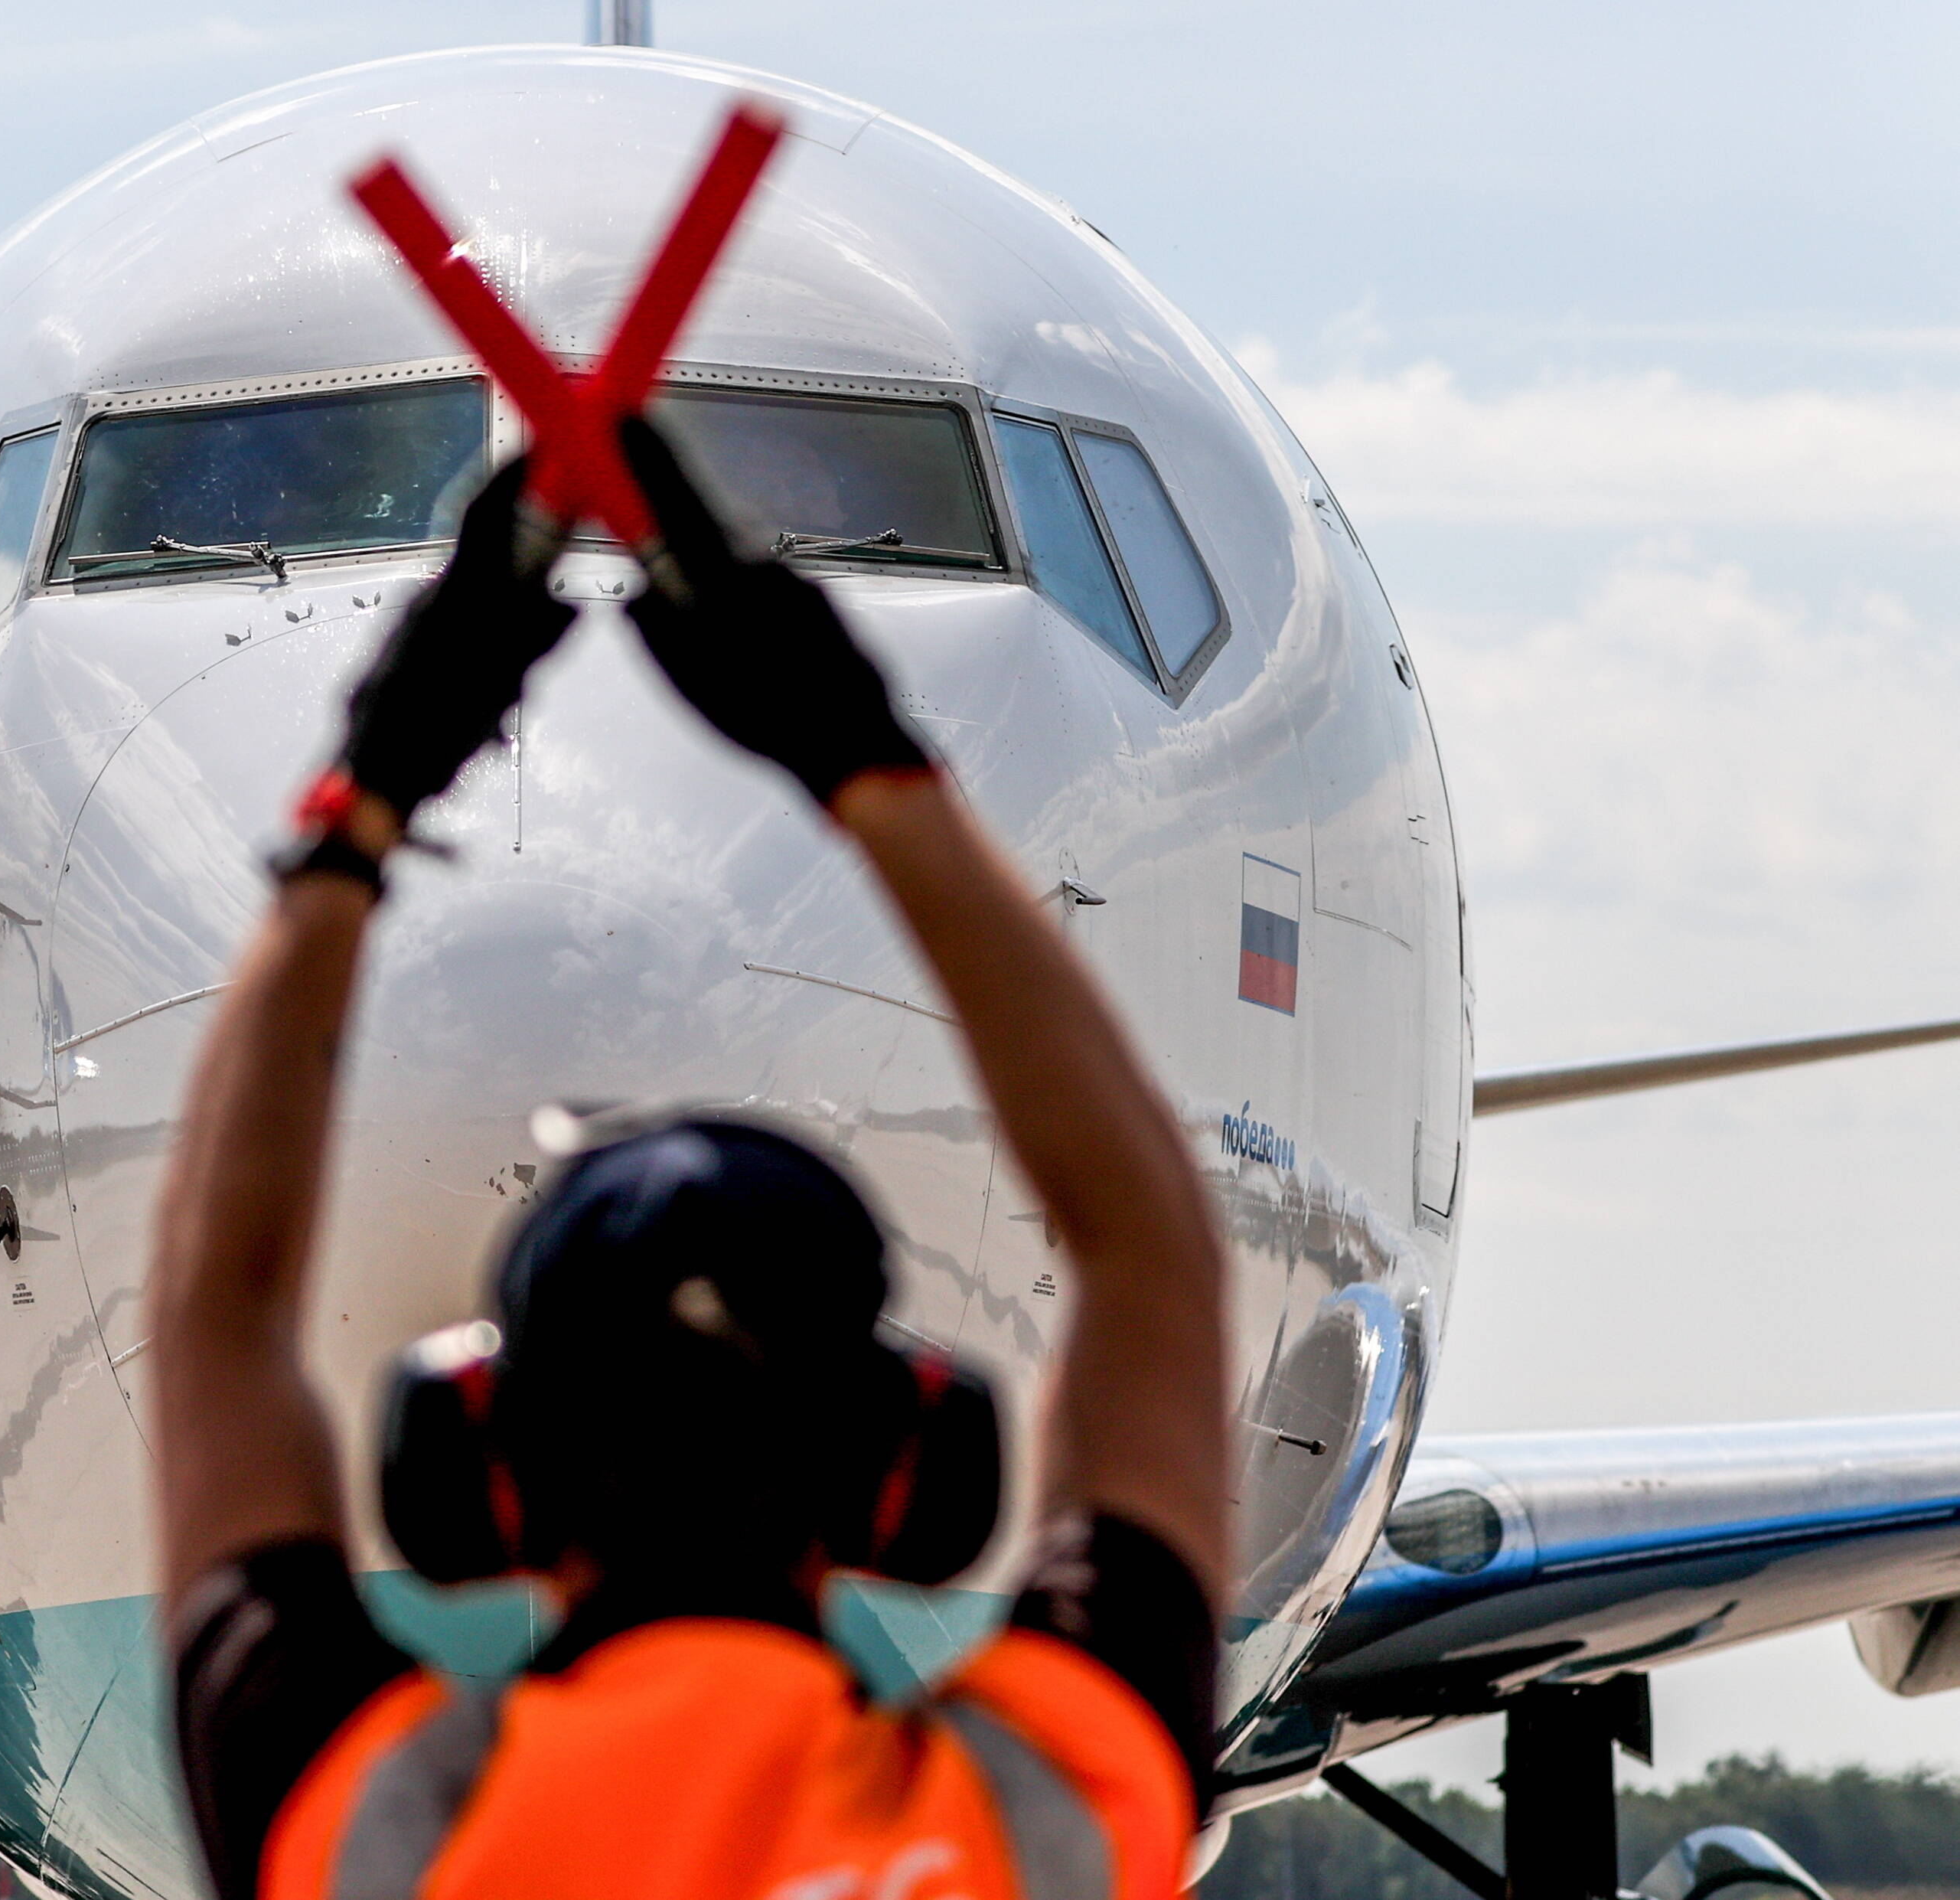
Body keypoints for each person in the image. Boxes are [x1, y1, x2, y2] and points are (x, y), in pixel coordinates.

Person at [146, 420, 1231, 1900]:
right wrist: (866, 757)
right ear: (906, 1466)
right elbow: (1152, 1252)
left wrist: (365, 797)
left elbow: (213, 1317)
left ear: (479, 1461)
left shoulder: (381, 1834)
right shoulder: (1029, 1827)